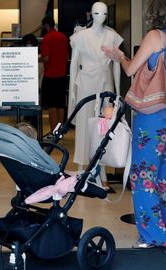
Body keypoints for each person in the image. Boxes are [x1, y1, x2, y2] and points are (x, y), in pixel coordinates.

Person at [102, 0, 166, 248]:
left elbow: (131, 70)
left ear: (152, 16)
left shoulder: (155, 36)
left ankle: (153, 236)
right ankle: (165, 226)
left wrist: (120, 56)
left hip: (152, 116)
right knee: (163, 175)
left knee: (144, 176)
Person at [68, 2, 123, 189]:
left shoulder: (112, 35)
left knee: (103, 127)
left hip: (105, 86)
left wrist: (117, 92)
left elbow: (116, 64)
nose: (101, 16)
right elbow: (73, 64)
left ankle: (102, 171)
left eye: (104, 13)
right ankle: (82, 168)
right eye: (98, 13)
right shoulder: (80, 37)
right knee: (84, 126)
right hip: (85, 86)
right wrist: (73, 92)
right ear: (92, 14)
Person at [39, 16, 69, 136]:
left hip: (50, 76)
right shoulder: (63, 37)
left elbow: (46, 58)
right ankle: (60, 131)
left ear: (46, 25)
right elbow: (66, 56)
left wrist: (37, 59)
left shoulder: (47, 38)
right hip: (62, 75)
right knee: (60, 104)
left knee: (52, 104)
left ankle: (53, 131)